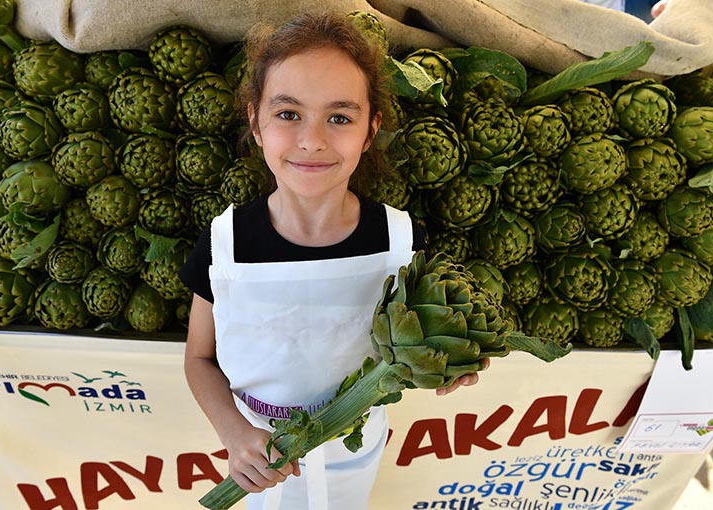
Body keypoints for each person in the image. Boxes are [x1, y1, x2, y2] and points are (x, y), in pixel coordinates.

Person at [180, 11, 486, 510]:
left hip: (355, 451)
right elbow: (199, 358)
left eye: (340, 118)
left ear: (370, 131)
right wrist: (235, 435)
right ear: (256, 122)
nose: (313, 140)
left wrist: (450, 358)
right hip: (258, 458)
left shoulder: (403, 242)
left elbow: (424, 340)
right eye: (288, 114)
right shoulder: (223, 244)